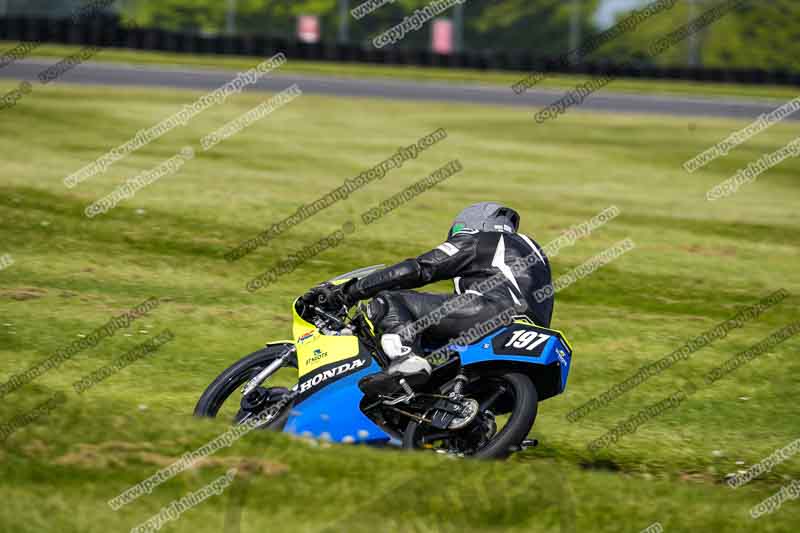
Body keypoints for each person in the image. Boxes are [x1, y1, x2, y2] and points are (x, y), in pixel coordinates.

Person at [307, 202, 553, 397]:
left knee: (390, 301)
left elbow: (418, 269)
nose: (456, 238)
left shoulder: (484, 240)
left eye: (457, 233)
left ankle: (405, 359)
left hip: (492, 313)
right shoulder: (536, 257)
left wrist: (350, 292)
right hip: (529, 333)